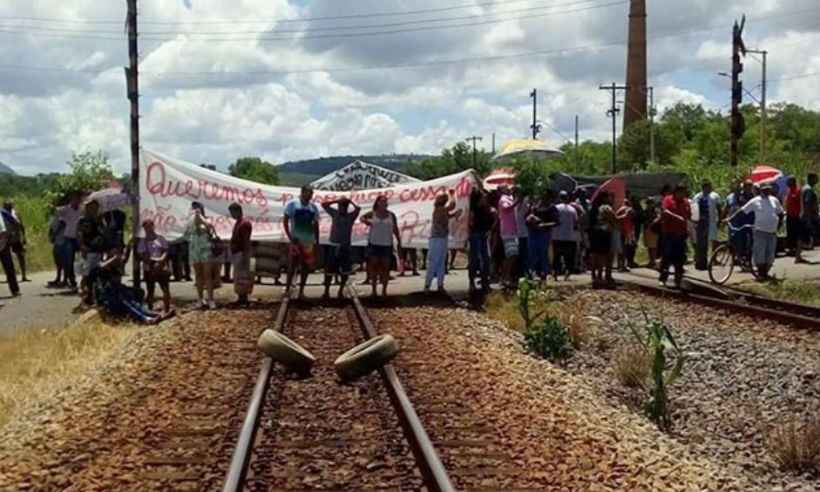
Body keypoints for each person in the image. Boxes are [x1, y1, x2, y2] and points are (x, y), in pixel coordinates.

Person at [94, 242, 165, 324]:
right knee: (124, 300)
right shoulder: (102, 261)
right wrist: (114, 258)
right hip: (106, 296)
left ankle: (149, 313)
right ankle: (145, 318)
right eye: (115, 250)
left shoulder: (116, 266)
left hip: (116, 290)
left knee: (137, 293)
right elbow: (102, 266)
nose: (117, 252)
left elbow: (117, 278)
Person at [726, 183, 784, 280]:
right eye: (765, 189)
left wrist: (779, 224)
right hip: (760, 231)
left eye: (768, 189)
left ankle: (765, 273)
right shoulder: (755, 201)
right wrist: (730, 218)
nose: (767, 191)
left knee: (770, 255)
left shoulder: (774, 200)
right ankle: (761, 274)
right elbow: (742, 211)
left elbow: (780, 213)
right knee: (760, 254)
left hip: (772, 232)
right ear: (761, 190)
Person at [361, 195, 402, 298]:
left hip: (387, 245)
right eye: (382, 201)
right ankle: (374, 291)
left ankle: (384, 291)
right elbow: (362, 217)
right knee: (374, 268)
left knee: (385, 269)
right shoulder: (372, 213)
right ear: (378, 203)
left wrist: (399, 240)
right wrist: (366, 222)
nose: (384, 203)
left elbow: (395, 228)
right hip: (374, 244)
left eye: (386, 201)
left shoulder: (391, 215)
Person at [284, 185, 320, 300]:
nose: (310, 195)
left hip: (308, 241)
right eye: (309, 193)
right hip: (296, 241)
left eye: (312, 193)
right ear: (302, 192)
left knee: (306, 267)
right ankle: (287, 289)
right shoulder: (293, 204)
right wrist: (290, 236)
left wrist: (317, 241)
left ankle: (301, 291)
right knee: (292, 265)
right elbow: (285, 220)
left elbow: (316, 225)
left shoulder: (313, 207)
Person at [322, 197, 360, 299]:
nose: (342, 207)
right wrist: (336, 201)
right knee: (329, 271)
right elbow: (324, 204)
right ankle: (326, 291)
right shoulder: (335, 213)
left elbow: (358, 209)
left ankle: (341, 290)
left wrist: (350, 201)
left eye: (344, 206)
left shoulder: (350, 216)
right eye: (341, 206)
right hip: (334, 245)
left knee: (345, 271)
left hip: (345, 246)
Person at [425, 191, 462, 293]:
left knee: (441, 262)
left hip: (442, 238)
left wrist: (454, 215)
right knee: (434, 262)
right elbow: (452, 205)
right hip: (436, 239)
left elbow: (448, 215)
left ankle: (439, 285)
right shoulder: (439, 209)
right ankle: (428, 285)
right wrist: (452, 195)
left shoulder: (441, 210)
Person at [185, 201, 218, 309]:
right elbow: (187, 232)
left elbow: (208, 227)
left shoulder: (208, 219)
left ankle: (211, 299)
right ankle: (200, 299)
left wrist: (200, 216)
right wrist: (195, 217)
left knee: (207, 275)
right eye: (194, 208)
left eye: (197, 208)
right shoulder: (190, 220)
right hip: (195, 249)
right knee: (198, 275)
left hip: (205, 249)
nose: (195, 210)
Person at [137, 219, 173, 314]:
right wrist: (152, 261)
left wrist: (161, 260)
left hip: (161, 266)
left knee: (165, 289)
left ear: (153, 226)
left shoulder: (160, 238)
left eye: (150, 226)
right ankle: (150, 309)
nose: (148, 229)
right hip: (149, 268)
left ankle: (167, 308)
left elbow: (166, 251)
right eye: (146, 227)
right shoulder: (142, 241)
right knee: (150, 290)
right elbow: (142, 255)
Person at [659, 185, 691, 289]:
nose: (682, 195)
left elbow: (688, 215)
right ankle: (663, 278)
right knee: (666, 256)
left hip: (681, 234)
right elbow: (665, 211)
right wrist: (677, 217)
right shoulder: (668, 199)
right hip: (669, 233)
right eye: (681, 193)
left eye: (684, 193)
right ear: (676, 192)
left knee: (680, 258)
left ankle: (678, 280)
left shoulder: (686, 202)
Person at [77, 200, 106, 305]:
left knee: (95, 273)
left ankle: (92, 296)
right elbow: (79, 234)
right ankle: (84, 294)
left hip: (97, 249)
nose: (94, 209)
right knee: (86, 273)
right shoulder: (83, 220)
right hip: (88, 249)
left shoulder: (99, 220)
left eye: (96, 207)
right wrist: (82, 246)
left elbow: (102, 233)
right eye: (92, 207)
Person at [526, 190, 557, 282]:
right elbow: (526, 219)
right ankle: (533, 273)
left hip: (544, 233)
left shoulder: (551, 208)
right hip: (533, 232)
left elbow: (556, 222)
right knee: (532, 254)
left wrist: (543, 225)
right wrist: (529, 219)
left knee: (543, 254)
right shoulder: (535, 206)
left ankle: (544, 274)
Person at [468, 188, 495, 293]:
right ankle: (472, 283)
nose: (485, 197)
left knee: (486, 259)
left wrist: (489, 230)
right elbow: (470, 224)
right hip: (475, 235)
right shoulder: (473, 210)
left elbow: (491, 221)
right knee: (475, 259)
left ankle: (484, 282)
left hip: (483, 235)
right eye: (483, 196)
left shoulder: (486, 209)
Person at [692, 180, 723, 271]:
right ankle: (699, 261)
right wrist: (695, 221)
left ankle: (714, 258)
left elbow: (719, 208)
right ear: (703, 187)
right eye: (706, 187)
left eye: (709, 186)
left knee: (713, 240)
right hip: (700, 223)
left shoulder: (715, 196)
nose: (708, 188)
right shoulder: (697, 196)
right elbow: (694, 209)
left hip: (712, 221)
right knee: (700, 243)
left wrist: (720, 220)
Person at [588, 192, 616, 288]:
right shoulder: (606, 208)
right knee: (602, 255)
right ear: (604, 198)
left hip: (594, 233)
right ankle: (600, 276)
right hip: (604, 233)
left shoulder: (593, 208)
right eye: (608, 197)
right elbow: (613, 220)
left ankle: (594, 275)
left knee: (595, 254)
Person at [229, 203, 254, 306]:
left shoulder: (244, 224)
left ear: (237, 211)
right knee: (239, 276)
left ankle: (243, 298)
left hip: (241, 253)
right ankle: (241, 297)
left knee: (242, 276)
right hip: (238, 253)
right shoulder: (239, 223)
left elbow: (246, 241)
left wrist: (245, 255)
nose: (231, 215)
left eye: (232, 213)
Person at [726, 180, 755, 266]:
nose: (748, 188)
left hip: (751, 220)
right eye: (747, 186)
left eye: (750, 186)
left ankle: (748, 258)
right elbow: (739, 208)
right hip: (741, 221)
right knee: (739, 240)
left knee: (750, 241)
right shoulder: (740, 196)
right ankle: (739, 257)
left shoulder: (754, 196)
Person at [58, 192, 83, 291]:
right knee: (69, 260)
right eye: (74, 198)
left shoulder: (82, 209)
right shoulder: (65, 209)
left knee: (83, 259)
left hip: (80, 237)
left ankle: (84, 279)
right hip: (69, 236)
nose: (76, 200)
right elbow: (60, 218)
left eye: (77, 198)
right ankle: (72, 281)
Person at [553, 190, 579, 281]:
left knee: (557, 256)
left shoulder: (556, 208)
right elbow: (576, 223)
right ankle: (567, 273)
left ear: (559, 198)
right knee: (568, 257)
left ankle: (555, 273)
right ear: (567, 198)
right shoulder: (573, 209)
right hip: (569, 237)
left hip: (557, 236)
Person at [497, 185, 520, 288]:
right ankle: (504, 277)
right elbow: (506, 208)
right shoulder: (503, 199)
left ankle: (506, 277)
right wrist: (517, 202)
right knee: (511, 255)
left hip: (512, 231)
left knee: (512, 255)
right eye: (505, 187)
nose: (508, 188)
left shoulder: (510, 198)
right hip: (507, 231)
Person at [2, 202, 28, 282]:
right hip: (6, 238)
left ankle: (24, 275)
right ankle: (9, 277)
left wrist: (24, 237)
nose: (8, 207)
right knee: (7, 259)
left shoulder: (15, 214)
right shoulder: (2, 214)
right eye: (7, 206)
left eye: (9, 206)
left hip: (16, 238)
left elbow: (21, 226)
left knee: (21, 256)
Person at [784, 176, 805, 263]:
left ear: (793, 182)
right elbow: (786, 203)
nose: (787, 183)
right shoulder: (788, 191)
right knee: (791, 236)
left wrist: (801, 214)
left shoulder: (799, 190)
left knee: (799, 236)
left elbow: (801, 203)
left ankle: (798, 255)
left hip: (797, 217)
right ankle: (796, 254)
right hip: (790, 217)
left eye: (789, 181)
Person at [0, 207, 20, 297]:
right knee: (9, 267)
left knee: (9, 267)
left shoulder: (1, 213)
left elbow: (3, 231)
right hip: (4, 242)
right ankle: (15, 290)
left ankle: (15, 290)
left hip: (3, 243)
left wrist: (2, 244)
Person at [616, 198, 636, 272]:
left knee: (622, 249)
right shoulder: (628, 210)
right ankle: (622, 266)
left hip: (623, 231)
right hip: (624, 231)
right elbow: (632, 218)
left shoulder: (621, 209)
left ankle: (620, 265)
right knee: (623, 249)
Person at [47, 212, 67, 288]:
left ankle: (65, 279)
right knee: (57, 261)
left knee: (64, 261)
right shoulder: (53, 217)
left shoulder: (63, 215)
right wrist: (50, 236)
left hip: (63, 240)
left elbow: (62, 224)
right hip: (56, 241)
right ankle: (58, 278)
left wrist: (54, 234)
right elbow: (51, 227)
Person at [514, 188, 530, 280]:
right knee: (519, 254)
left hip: (524, 233)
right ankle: (520, 272)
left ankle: (525, 272)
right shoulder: (514, 204)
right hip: (516, 233)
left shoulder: (525, 203)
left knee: (524, 254)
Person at [642, 198, 661, 269]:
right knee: (649, 246)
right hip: (647, 229)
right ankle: (651, 261)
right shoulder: (645, 211)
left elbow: (658, 218)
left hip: (654, 230)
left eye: (650, 203)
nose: (649, 205)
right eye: (648, 203)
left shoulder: (656, 211)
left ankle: (653, 262)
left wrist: (652, 223)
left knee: (653, 246)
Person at [803, 173, 819, 250]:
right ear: (811, 179)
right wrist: (809, 216)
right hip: (810, 215)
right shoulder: (809, 189)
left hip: (809, 215)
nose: (817, 180)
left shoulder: (806, 188)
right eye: (816, 178)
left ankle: (810, 244)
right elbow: (807, 203)